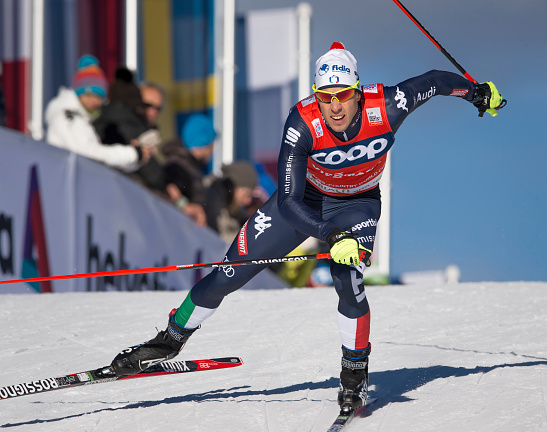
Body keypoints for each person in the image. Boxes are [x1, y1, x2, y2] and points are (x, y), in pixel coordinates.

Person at [109, 42, 504, 414]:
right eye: (325, 96)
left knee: (347, 278)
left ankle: (354, 373)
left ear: (358, 91)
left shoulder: (386, 104)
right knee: (226, 275)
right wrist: (330, 235)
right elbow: (288, 200)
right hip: (302, 204)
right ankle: (171, 339)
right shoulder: (303, 122)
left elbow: (435, 80)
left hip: (357, 204)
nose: (334, 106)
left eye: (343, 95)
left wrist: (475, 92)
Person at [45, 55, 151, 172]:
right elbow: (90, 155)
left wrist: (135, 159)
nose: (93, 101)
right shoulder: (67, 117)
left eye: (98, 96)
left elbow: (101, 164)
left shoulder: (84, 120)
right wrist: (132, 154)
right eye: (88, 95)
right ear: (78, 93)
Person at [161, 113, 217, 226]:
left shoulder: (190, 165)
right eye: (211, 144)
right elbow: (167, 187)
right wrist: (184, 206)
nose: (213, 149)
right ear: (203, 143)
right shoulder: (177, 165)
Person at [203, 161, 259, 244]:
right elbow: (219, 237)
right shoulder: (211, 199)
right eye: (246, 194)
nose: (248, 201)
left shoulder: (235, 209)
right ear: (233, 187)